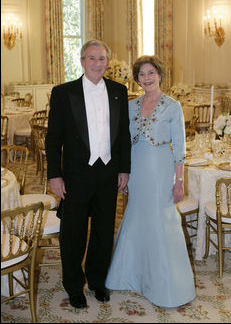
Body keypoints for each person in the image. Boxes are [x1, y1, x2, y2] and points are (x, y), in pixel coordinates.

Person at [45, 39, 131, 309]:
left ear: (108, 62)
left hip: (108, 173)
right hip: (75, 175)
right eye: (91, 58)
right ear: (82, 61)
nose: (97, 63)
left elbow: (124, 135)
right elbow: (52, 138)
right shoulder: (63, 92)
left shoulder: (119, 90)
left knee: (104, 231)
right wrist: (54, 175)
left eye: (102, 58)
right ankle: (73, 285)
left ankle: (96, 281)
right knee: (74, 233)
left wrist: (124, 169)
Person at [105, 55, 196, 308]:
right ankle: (132, 275)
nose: (146, 78)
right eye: (141, 74)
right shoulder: (131, 105)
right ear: (137, 79)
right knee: (136, 216)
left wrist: (179, 180)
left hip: (160, 171)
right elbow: (122, 143)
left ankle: (166, 283)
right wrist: (123, 174)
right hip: (136, 169)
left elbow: (179, 147)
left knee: (161, 220)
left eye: (150, 73)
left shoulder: (172, 105)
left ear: (160, 74)